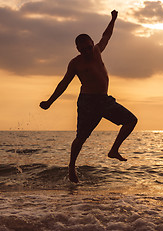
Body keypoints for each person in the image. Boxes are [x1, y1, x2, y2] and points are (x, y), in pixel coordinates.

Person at [40, 10, 137, 183]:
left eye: (89, 47)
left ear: (93, 43)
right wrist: (49, 101)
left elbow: (107, 35)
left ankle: (114, 150)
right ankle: (71, 166)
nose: (87, 51)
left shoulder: (98, 51)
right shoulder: (75, 63)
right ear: (77, 49)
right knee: (81, 137)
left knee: (131, 120)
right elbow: (64, 84)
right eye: (83, 49)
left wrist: (113, 19)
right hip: (87, 103)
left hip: (104, 100)